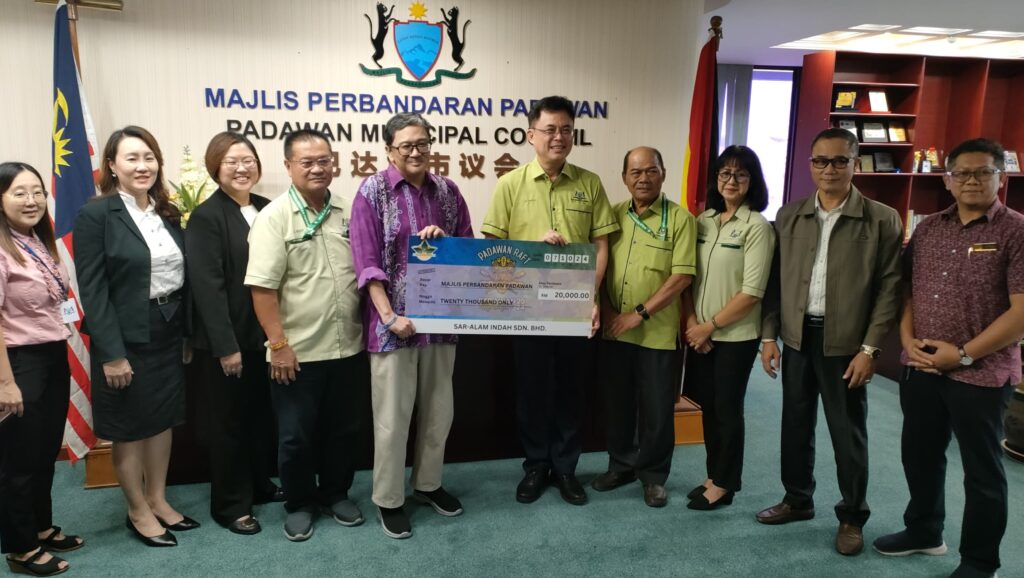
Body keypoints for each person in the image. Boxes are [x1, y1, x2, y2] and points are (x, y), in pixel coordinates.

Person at [874, 139, 1024, 578]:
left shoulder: (1016, 231)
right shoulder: (928, 230)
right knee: (919, 455)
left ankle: (979, 561)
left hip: (981, 374)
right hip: (922, 367)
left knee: (982, 472)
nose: (972, 181)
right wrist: (907, 340)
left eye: (983, 172)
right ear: (947, 179)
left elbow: (1021, 313)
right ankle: (924, 531)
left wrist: (961, 355)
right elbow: (907, 291)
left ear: (1001, 177)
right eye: (962, 173)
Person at [757, 128, 902, 555]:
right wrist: (769, 336)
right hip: (798, 337)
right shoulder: (790, 215)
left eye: (840, 160)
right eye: (821, 160)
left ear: (855, 163)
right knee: (794, 426)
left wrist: (870, 349)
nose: (830, 169)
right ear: (810, 164)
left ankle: (852, 516)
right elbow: (775, 283)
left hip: (847, 345)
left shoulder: (882, 218)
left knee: (847, 433)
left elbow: (890, 289)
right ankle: (797, 499)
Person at [481, 95, 619, 506]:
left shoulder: (590, 183)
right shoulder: (510, 183)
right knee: (533, 389)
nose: (559, 137)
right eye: (550, 130)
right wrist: (530, 249)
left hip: (575, 305)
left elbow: (601, 244)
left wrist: (592, 296)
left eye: (566, 130)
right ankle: (536, 465)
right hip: (527, 307)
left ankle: (566, 468)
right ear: (531, 135)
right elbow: (492, 244)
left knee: (572, 389)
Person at [350, 113, 474, 539]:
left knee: (439, 411)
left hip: (440, 322)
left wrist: (446, 244)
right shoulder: (372, 191)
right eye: (407, 145)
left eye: (423, 143)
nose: (417, 152)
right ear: (390, 150)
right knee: (392, 418)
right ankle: (389, 499)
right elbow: (366, 262)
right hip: (393, 326)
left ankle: (428, 484)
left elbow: (468, 250)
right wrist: (389, 316)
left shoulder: (448, 191)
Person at [74, 126, 197, 548]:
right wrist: (111, 354)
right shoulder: (96, 215)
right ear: (112, 165)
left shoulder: (167, 211)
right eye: (132, 158)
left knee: (162, 419)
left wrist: (185, 332)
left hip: (167, 326)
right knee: (128, 425)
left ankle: (157, 498)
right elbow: (93, 290)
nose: (143, 166)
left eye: (149, 157)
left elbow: (182, 277)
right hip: (124, 335)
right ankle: (137, 509)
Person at [245, 129, 367, 542]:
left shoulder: (347, 210)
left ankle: (336, 493)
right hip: (297, 352)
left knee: (344, 430)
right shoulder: (274, 217)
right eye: (307, 162)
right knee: (296, 437)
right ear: (288, 166)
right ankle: (299, 503)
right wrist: (278, 345)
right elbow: (262, 289)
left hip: (348, 346)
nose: (318, 168)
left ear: (334, 162)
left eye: (324, 160)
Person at [185, 132, 282, 536]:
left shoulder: (267, 207)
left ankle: (260, 485)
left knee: (260, 418)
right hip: (230, 340)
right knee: (228, 425)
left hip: (265, 337)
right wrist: (226, 347)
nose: (242, 168)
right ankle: (230, 505)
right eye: (231, 162)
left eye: (248, 160)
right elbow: (207, 288)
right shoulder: (207, 217)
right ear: (215, 168)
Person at [591, 147, 695, 507]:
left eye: (651, 171)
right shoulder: (612, 216)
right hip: (615, 331)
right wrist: (607, 311)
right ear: (624, 178)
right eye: (635, 172)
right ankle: (621, 465)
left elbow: (681, 277)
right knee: (618, 403)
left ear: (663, 173)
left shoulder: (680, 219)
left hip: (656, 334)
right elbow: (599, 265)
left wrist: (638, 314)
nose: (643, 178)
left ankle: (653, 476)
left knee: (656, 410)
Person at [0, 163, 82, 576]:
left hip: (52, 354)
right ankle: (20, 547)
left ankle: (41, 526)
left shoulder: (36, 240)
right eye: (19, 193)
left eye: (37, 192)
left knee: (45, 450)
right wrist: (5, 383)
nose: (31, 200)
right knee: (17, 459)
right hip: (17, 363)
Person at [682, 145, 774, 511]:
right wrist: (693, 324)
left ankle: (726, 483)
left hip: (736, 336)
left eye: (740, 174)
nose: (731, 180)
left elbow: (752, 293)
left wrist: (710, 326)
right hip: (701, 334)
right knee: (708, 406)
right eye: (725, 173)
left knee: (727, 409)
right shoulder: (703, 221)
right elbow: (688, 277)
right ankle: (713, 475)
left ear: (753, 181)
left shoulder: (757, 227)